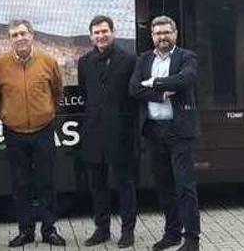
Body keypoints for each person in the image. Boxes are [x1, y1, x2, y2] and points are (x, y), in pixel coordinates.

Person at [0, 19, 67, 247]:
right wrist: (5, 114)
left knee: (46, 182)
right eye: (14, 35)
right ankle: (25, 231)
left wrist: (49, 112)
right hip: (14, 133)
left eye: (23, 33)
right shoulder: (0, 64)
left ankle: (49, 230)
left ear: (32, 35)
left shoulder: (48, 61)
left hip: (43, 130)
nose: (19, 38)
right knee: (20, 184)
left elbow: (57, 91)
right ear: (9, 39)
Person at [130, 16, 201, 251]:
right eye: (158, 33)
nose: (162, 37)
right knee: (164, 186)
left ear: (175, 33)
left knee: (185, 186)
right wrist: (161, 92)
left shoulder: (186, 57)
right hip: (153, 131)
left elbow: (186, 79)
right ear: (151, 36)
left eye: (166, 32)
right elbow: (134, 88)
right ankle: (172, 233)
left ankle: (192, 239)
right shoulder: (144, 59)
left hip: (179, 131)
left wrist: (154, 83)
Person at [78, 15, 139, 248]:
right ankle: (102, 229)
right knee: (97, 185)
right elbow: (85, 93)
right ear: (91, 36)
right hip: (93, 133)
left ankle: (127, 231)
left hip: (121, 132)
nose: (101, 36)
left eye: (104, 31)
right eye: (96, 32)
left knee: (125, 184)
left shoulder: (129, 60)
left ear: (112, 32)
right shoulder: (84, 62)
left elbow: (133, 98)